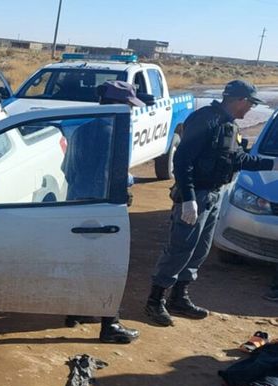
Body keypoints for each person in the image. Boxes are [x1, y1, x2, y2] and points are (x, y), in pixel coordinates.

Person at [145, 80, 278, 326]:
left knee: (200, 249)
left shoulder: (230, 126)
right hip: (196, 196)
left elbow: (237, 158)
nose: (250, 109)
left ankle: (179, 297)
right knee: (180, 249)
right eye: (250, 104)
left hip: (214, 195)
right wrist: (188, 199)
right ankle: (155, 300)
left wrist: (272, 164)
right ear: (240, 100)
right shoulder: (205, 120)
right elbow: (182, 161)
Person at [65, 80, 143, 344]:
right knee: (109, 266)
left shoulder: (82, 129)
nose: (131, 111)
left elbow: (68, 170)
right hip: (102, 207)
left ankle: (76, 311)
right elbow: (113, 175)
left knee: (81, 261)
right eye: (129, 106)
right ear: (116, 105)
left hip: (76, 203)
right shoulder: (114, 133)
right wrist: (128, 183)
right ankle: (111, 325)